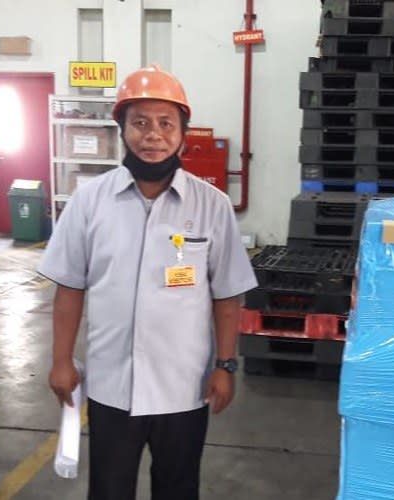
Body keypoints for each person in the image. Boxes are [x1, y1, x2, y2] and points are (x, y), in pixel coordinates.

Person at [37, 65, 258, 500]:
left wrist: (225, 365)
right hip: (110, 386)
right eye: (140, 123)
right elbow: (69, 288)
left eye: (165, 124)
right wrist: (61, 360)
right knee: (109, 489)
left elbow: (228, 294)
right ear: (122, 129)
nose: (152, 135)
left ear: (182, 133)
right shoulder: (89, 202)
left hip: (185, 386)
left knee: (177, 489)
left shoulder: (211, 205)